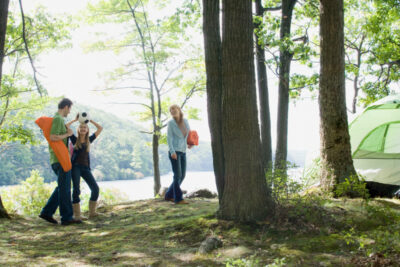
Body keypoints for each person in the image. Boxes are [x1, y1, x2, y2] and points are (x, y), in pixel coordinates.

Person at [39, 98, 82, 226]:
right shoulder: (58, 119)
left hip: (56, 159)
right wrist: (68, 134)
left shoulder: (58, 119)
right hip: (60, 159)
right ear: (66, 107)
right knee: (65, 189)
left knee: (62, 187)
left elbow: (60, 131)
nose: (69, 112)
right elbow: (53, 137)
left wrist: (73, 122)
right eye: (70, 109)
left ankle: (47, 212)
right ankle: (67, 217)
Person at [66, 115, 103, 220]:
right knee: (76, 190)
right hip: (75, 167)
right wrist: (75, 120)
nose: (83, 129)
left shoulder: (89, 140)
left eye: (85, 128)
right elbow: (66, 126)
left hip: (86, 168)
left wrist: (90, 120)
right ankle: (77, 215)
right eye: (81, 127)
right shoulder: (74, 139)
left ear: (87, 130)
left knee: (95, 189)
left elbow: (100, 128)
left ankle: (92, 213)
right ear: (78, 129)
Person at [164, 104, 193, 204]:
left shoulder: (185, 121)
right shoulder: (171, 123)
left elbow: (188, 135)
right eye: (171, 110)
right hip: (175, 152)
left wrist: (190, 143)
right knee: (177, 175)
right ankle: (178, 198)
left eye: (174, 109)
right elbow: (169, 138)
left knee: (182, 175)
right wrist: (172, 152)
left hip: (183, 151)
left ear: (179, 110)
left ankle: (168, 195)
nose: (172, 111)